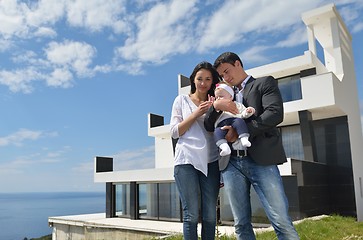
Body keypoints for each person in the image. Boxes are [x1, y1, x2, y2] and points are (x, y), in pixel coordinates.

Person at [204, 52, 300, 240]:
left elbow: (274, 113)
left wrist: (240, 131)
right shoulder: (223, 95)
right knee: (240, 224)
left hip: (261, 160)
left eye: (227, 71)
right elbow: (208, 125)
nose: (226, 77)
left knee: (280, 220)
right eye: (222, 75)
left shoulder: (264, 83)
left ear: (238, 63)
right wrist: (216, 107)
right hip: (231, 163)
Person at [170, 61, 221, 240]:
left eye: (208, 79)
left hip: (211, 161)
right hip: (186, 160)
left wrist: (215, 110)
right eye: (200, 78)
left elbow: (219, 129)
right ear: (193, 79)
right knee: (191, 215)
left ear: (213, 81)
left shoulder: (217, 102)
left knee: (209, 216)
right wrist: (195, 113)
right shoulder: (181, 100)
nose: (203, 83)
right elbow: (175, 131)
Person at [213, 82, 255, 160]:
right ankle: (224, 147)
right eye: (216, 97)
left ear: (230, 97)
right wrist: (216, 106)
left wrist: (248, 111)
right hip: (222, 125)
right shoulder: (217, 108)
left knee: (240, 122)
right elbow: (211, 119)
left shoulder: (237, 104)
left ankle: (244, 138)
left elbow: (243, 113)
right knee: (217, 132)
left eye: (221, 96)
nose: (218, 99)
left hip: (234, 120)